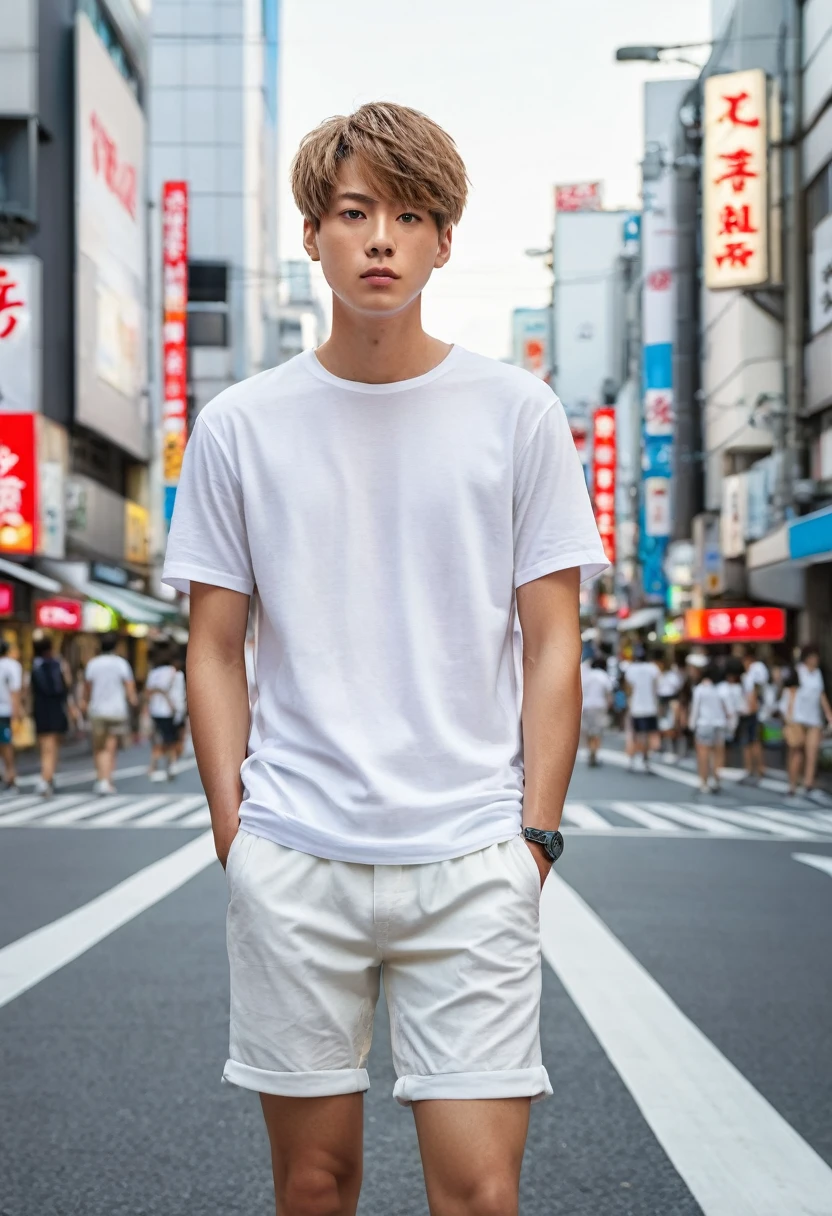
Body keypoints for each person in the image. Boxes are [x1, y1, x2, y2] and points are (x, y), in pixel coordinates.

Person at [163, 101, 609, 1216]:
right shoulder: (241, 425)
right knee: (315, 1185)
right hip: (295, 852)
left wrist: (534, 839)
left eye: (411, 216)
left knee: (482, 1193)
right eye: (354, 212)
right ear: (311, 233)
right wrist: (239, 837)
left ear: (444, 241)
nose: (380, 240)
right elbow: (214, 647)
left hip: (470, 854)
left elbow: (555, 639)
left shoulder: (516, 411)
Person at [82, 633, 138, 795]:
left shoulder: (93, 664)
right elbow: (130, 688)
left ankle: (101, 779)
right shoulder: (121, 664)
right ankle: (107, 780)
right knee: (111, 747)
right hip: (116, 710)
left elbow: (87, 688)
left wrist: (85, 703)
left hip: (97, 710)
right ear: (116, 646)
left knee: (99, 747)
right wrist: (133, 702)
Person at [782, 645, 832, 800]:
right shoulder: (798, 671)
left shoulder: (817, 673)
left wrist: (829, 715)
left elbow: (821, 694)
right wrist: (789, 716)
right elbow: (791, 693)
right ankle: (792, 784)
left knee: (812, 752)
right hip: (798, 718)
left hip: (814, 718)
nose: (815, 660)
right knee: (796, 752)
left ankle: (808, 783)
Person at [30, 637, 71, 797]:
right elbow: (65, 685)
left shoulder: (34, 665)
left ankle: (48, 776)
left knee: (44, 746)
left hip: (40, 708)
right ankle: (45, 778)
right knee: (52, 746)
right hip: (55, 708)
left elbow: (29, 690)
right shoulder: (58, 664)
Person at [689, 662, 737, 795]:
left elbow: (695, 708)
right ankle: (716, 780)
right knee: (718, 754)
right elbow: (730, 710)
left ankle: (703, 781)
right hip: (719, 724)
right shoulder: (724, 689)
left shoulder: (701, 688)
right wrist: (732, 727)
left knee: (703, 754)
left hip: (704, 723)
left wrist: (692, 725)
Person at [144, 645, 182, 781]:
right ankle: (171, 764)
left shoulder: (153, 673)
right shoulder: (174, 672)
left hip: (156, 710)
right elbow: (179, 692)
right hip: (170, 711)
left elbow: (147, 693)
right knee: (171, 739)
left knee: (158, 740)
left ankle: (153, 767)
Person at [625, 646, 661, 771]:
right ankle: (645, 759)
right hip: (650, 706)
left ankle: (633, 759)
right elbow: (657, 687)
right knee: (647, 735)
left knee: (635, 734)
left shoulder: (631, 669)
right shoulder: (653, 668)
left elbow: (629, 688)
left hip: (636, 706)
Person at [738, 649, 769, 783]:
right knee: (750, 742)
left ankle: (758, 768)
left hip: (754, 712)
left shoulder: (757, 669)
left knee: (753, 741)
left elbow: (756, 691)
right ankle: (751, 769)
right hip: (752, 711)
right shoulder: (749, 673)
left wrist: (751, 708)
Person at [0, 639, 23, 792]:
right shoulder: (12, 665)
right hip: (6, 711)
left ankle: (7, 775)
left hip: (5, 710)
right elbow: (15, 690)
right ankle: (11, 775)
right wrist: (18, 711)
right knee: (7, 745)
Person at [581, 656, 612, 766]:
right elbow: (608, 693)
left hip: (586, 705)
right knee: (597, 732)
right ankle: (594, 752)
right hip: (599, 706)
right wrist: (609, 706)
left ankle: (590, 750)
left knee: (588, 731)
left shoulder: (587, 675)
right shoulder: (603, 676)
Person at [656, 655, 683, 755]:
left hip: (672, 699)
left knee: (674, 723)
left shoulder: (674, 675)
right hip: (662, 700)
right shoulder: (660, 675)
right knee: (661, 723)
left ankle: (674, 748)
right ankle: (662, 745)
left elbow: (678, 687)